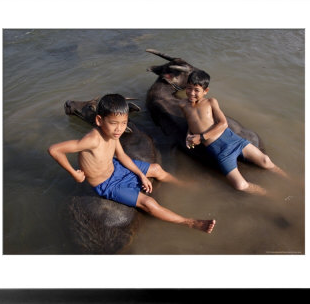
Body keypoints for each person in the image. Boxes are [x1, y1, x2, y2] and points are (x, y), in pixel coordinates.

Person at [48, 93, 215, 233]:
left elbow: (122, 156)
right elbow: (54, 149)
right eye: (113, 123)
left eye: (123, 123)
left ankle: (184, 185)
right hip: (107, 183)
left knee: (156, 169)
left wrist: (141, 175)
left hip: (117, 168)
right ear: (99, 120)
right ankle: (189, 222)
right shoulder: (92, 139)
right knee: (148, 203)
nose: (119, 129)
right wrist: (73, 173)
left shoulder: (114, 135)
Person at [179, 70, 287, 196]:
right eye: (189, 88)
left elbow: (223, 123)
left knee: (266, 160)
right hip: (220, 151)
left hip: (233, 140)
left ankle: (288, 179)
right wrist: (189, 135)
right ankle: (271, 194)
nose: (191, 93)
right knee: (240, 185)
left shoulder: (211, 102)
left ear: (205, 91)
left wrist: (201, 137)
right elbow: (190, 122)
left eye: (196, 90)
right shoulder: (182, 104)